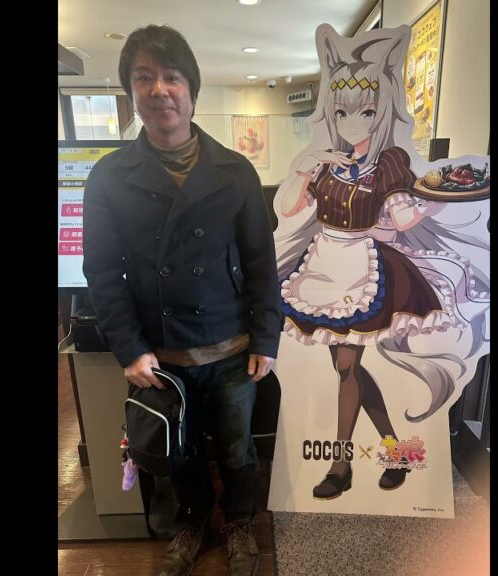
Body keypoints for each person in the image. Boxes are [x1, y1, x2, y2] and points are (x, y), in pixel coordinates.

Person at [82, 24, 280, 576]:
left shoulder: (236, 171)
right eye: (144, 78)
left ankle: (239, 521)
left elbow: (261, 263)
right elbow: (102, 272)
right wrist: (128, 348)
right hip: (160, 353)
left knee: (237, 449)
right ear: (131, 93)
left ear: (191, 90)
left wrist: (266, 337)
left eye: (171, 77)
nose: (159, 89)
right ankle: (192, 523)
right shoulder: (108, 177)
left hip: (232, 347)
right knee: (179, 451)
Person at [273, 24, 491, 500]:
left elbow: (405, 216)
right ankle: (395, 451)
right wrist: (306, 166)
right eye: (342, 111)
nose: (353, 122)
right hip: (322, 266)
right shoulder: (326, 164)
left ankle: (340, 466)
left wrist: (436, 197)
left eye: (366, 111)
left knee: (346, 366)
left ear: (382, 111)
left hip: (362, 269)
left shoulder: (389, 162)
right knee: (347, 369)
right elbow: (288, 208)